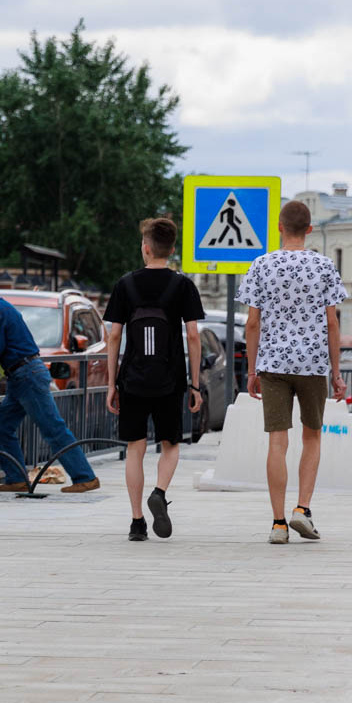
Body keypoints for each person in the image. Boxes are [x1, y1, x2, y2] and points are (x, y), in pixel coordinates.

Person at [239, 200, 347, 545]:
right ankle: (302, 509)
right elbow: (332, 322)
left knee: (277, 440)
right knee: (312, 436)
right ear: (310, 230)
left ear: (280, 228)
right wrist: (337, 372)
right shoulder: (324, 266)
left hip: (272, 364)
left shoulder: (261, 265)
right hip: (313, 363)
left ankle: (278, 524)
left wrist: (252, 368)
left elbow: (252, 323)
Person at [104, 217, 206, 541]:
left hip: (132, 379)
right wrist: (193, 383)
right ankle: (159, 493)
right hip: (170, 379)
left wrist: (111, 383)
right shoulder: (183, 285)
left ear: (145, 248)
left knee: (135, 448)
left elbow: (114, 336)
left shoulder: (125, 285)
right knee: (170, 444)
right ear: (172, 249)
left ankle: (137, 523)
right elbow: (192, 335)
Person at [0, 270, 99, 494]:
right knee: (1, 425)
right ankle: (17, 478)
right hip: (21, 376)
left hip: (26, 375)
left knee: (52, 427)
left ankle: (85, 477)